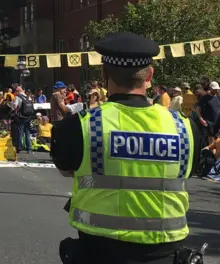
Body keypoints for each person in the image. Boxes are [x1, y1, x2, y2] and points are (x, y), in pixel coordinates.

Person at [52, 32, 203, 264]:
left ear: (104, 74)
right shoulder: (184, 127)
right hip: (166, 253)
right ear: (149, 75)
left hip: (100, 251)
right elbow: (185, 172)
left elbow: (67, 168)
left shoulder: (81, 125)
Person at [11, 86, 34, 153]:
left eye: (15, 91)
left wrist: (12, 105)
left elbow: (14, 106)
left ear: (18, 91)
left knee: (20, 132)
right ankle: (29, 149)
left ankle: (19, 148)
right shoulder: (28, 97)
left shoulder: (17, 97)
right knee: (27, 133)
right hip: (28, 117)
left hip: (21, 117)